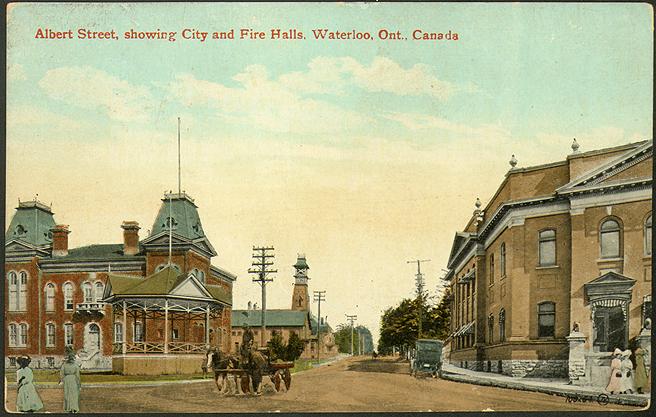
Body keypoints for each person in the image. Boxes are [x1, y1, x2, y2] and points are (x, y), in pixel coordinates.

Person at [60, 347, 81, 413]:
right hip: (73, 379)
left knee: (67, 394)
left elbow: (62, 373)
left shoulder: (64, 365)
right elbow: (78, 376)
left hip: (67, 379)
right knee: (74, 394)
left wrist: (62, 380)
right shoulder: (75, 366)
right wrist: (79, 385)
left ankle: (68, 407)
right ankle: (74, 408)